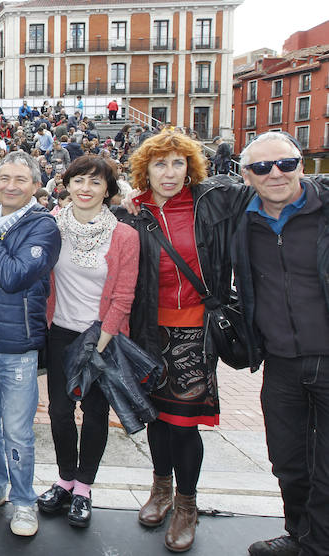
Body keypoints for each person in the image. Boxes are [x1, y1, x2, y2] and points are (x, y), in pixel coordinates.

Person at [118, 131, 252, 552]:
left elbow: (257, 190)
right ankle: (160, 489)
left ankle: (186, 504)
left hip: (195, 330)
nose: (170, 173)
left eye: (178, 163)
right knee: (156, 417)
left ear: (190, 167)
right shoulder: (133, 212)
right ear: (146, 170)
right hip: (148, 331)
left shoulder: (208, 203)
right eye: (160, 164)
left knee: (184, 423)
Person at [233, 132, 329, 556]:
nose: (275, 174)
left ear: (301, 165)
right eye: (261, 167)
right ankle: (299, 533)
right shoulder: (239, 217)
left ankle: (318, 544)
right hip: (280, 362)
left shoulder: (324, 210)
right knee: (288, 459)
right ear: (246, 176)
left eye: (286, 164)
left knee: (327, 466)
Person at [37, 156, 138, 528]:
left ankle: (84, 487)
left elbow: (124, 295)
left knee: (95, 414)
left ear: (108, 190)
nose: (85, 188)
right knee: (60, 411)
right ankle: (64, 479)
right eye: (78, 180)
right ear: (66, 185)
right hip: (60, 332)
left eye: (95, 183)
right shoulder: (51, 227)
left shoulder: (124, 235)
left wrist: (98, 344)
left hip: (102, 336)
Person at [0, 151, 61, 536]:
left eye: (20, 179)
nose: (10, 186)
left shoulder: (43, 227)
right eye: (4, 178)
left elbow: (13, 275)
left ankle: (24, 500)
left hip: (17, 346)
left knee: (18, 430)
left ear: (36, 186)